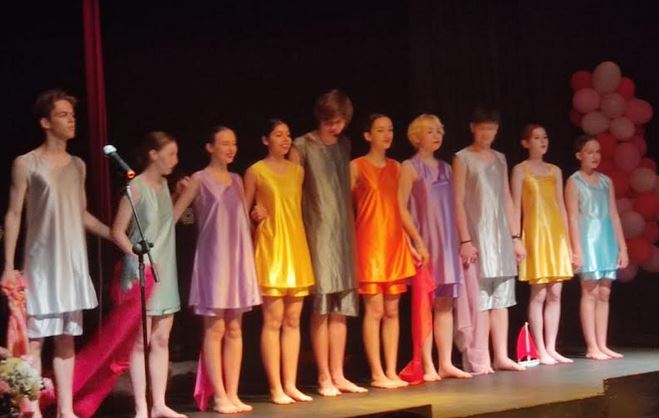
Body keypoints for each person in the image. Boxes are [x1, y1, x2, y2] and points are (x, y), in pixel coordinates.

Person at [1, 89, 110, 418]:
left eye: (72, 115)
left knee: (66, 339)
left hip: (71, 264)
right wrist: (9, 265)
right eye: (63, 115)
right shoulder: (27, 163)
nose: (71, 120)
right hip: (41, 265)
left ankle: (65, 409)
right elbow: (14, 215)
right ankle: (31, 410)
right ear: (46, 122)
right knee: (35, 341)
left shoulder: (78, 165)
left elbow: (81, 213)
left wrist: (115, 236)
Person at [173, 126, 262, 413]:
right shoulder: (199, 179)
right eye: (224, 143)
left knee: (235, 328)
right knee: (215, 329)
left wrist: (257, 218)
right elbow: (177, 215)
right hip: (213, 260)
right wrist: (176, 194)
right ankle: (219, 395)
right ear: (210, 147)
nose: (231, 148)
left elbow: (242, 221)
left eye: (233, 143)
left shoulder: (237, 179)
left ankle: (233, 393)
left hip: (237, 259)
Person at [289, 89, 367, 396]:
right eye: (331, 121)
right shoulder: (302, 145)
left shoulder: (344, 145)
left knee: (341, 308)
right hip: (317, 231)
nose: (336, 127)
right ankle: (323, 376)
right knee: (321, 307)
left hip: (343, 232)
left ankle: (338, 373)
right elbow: (293, 191)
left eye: (341, 121)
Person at [111, 131, 186, 418]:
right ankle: (141, 406)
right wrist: (135, 257)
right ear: (153, 155)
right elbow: (117, 231)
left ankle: (159, 404)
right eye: (170, 154)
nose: (175, 160)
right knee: (140, 341)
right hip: (142, 271)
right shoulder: (136, 187)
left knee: (162, 339)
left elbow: (165, 224)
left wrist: (179, 194)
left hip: (165, 269)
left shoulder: (165, 185)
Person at [244, 119, 315, 404]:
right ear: (266, 140)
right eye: (278, 135)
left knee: (293, 319)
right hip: (271, 249)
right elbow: (243, 212)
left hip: (296, 247)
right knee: (273, 320)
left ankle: (291, 384)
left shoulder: (298, 171)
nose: (285, 140)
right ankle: (275, 387)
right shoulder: (256, 171)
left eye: (288, 135)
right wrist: (254, 216)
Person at [452, 107, 526, 374]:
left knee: (502, 298)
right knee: (480, 299)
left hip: (501, 236)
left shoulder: (500, 158)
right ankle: (480, 357)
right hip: (477, 235)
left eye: (492, 129)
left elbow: (506, 198)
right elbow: (458, 201)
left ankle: (501, 356)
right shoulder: (462, 158)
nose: (487, 134)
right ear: (473, 128)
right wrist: (465, 240)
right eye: (483, 128)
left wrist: (515, 237)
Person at [398, 114, 471, 381]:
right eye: (430, 131)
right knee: (423, 304)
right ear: (417, 136)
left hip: (446, 242)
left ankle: (445, 362)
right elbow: (400, 207)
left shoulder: (446, 168)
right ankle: (426, 363)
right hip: (426, 242)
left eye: (439, 131)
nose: (437, 135)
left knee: (445, 303)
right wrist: (416, 242)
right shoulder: (410, 167)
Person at [351, 114, 421, 389]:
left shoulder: (396, 167)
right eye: (380, 130)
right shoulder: (356, 166)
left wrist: (415, 242)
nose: (387, 135)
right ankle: (377, 372)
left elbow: (400, 209)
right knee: (375, 310)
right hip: (369, 245)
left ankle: (391, 370)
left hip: (393, 244)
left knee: (392, 310)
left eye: (390, 129)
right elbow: (346, 208)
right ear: (368, 135)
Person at [511, 124, 573, 365]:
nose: (542, 141)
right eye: (536, 138)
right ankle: (539, 348)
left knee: (556, 292)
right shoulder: (520, 170)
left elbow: (561, 207)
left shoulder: (555, 170)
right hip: (535, 235)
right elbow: (516, 207)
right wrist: (516, 238)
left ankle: (551, 347)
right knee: (539, 293)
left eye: (544, 137)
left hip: (556, 236)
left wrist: (568, 243)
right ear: (526, 143)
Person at [565, 135, 628, 361]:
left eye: (598, 152)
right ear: (579, 155)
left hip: (606, 239)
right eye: (590, 152)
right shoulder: (574, 181)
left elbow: (613, 214)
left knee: (604, 292)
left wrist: (622, 247)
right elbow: (572, 217)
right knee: (590, 291)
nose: (595, 156)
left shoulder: (605, 182)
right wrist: (576, 249)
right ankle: (592, 346)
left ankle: (602, 344)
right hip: (587, 240)